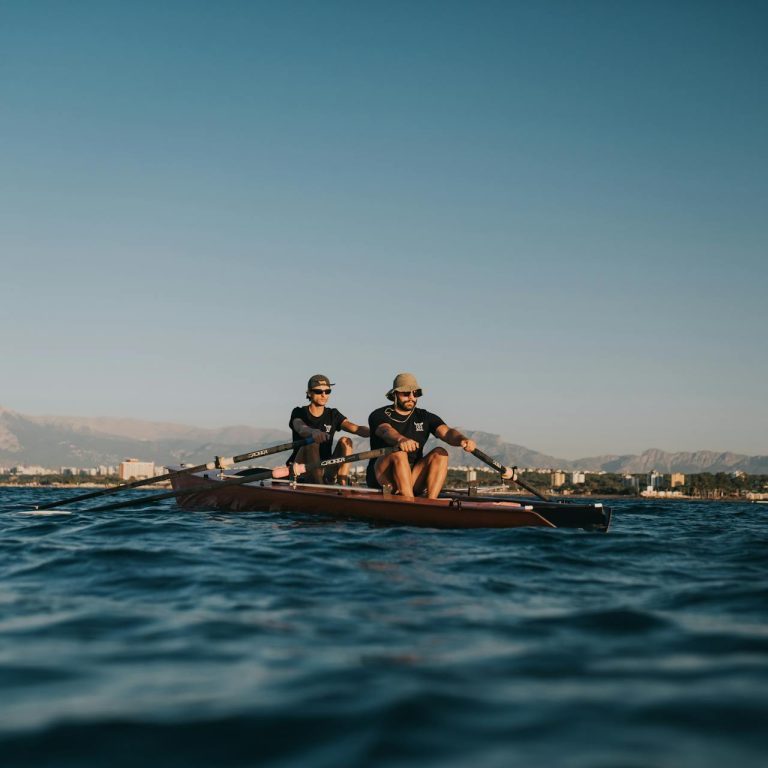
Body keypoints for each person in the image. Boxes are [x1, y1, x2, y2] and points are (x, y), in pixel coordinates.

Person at [367, 372, 477, 498]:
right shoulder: (379, 414)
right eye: (406, 393)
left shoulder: (424, 416)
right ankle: (409, 504)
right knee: (399, 453)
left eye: (415, 393)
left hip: (413, 476)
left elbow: (447, 432)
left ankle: (431, 504)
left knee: (440, 453)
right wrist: (401, 439)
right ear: (395, 394)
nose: (411, 397)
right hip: (383, 476)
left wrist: (463, 440)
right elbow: (385, 430)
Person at [287, 374, 370, 484]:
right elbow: (301, 428)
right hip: (300, 467)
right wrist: (313, 432)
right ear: (309, 393)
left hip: (325, 467)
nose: (323, 395)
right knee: (312, 443)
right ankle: (320, 486)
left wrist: (376, 431)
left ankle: (342, 482)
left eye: (327, 391)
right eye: (318, 391)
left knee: (346, 441)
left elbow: (356, 428)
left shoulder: (333, 414)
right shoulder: (299, 412)